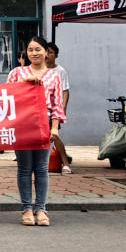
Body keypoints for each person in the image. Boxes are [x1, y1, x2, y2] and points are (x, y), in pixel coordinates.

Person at [7, 36, 65, 227]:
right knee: (24, 168)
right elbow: (7, 97)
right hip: (22, 124)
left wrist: (54, 127)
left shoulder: (54, 76)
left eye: (38, 49)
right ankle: (26, 209)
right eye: (30, 50)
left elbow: (57, 104)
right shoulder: (17, 73)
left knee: (41, 169)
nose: (34, 53)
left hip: (43, 124)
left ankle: (41, 209)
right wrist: (26, 82)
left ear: (46, 52)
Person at [46, 42, 73, 174]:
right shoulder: (38, 69)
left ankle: (65, 163)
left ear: (56, 55)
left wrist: (63, 108)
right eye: (46, 52)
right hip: (39, 109)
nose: (47, 55)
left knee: (54, 135)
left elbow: (65, 91)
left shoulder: (60, 71)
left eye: (51, 52)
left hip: (53, 110)